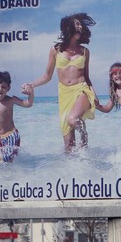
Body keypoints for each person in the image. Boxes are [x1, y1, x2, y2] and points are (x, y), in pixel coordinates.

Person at [28, 13, 97, 153]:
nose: (80, 27)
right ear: (68, 27)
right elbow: (47, 76)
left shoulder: (85, 52)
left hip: (81, 90)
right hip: (64, 94)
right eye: (77, 24)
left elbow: (87, 77)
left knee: (73, 119)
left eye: (80, 25)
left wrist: (95, 97)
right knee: (68, 148)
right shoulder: (55, 50)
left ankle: (84, 137)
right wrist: (31, 85)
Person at [0, 71, 33, 163]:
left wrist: (31, 93)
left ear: (8, 88)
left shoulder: (11, 100)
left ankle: (13, 176)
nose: (0, 89)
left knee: (8, 159)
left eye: (3, 87)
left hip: (11, 135)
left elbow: (28, 104)